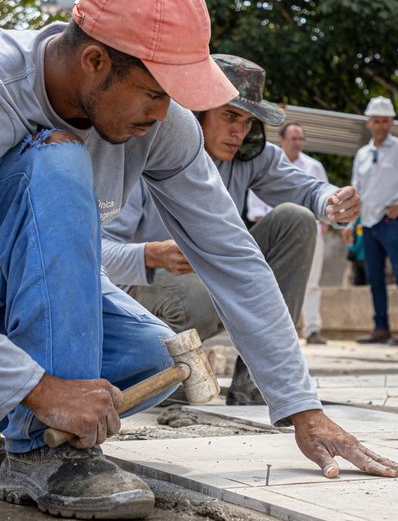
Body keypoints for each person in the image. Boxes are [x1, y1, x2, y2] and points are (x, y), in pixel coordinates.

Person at [0, 0, 398, 521]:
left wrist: (300, 406)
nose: (163, 115)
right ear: (92, 61)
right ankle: (50, 453)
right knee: (58, 159)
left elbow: (232, 256)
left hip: (22, 289)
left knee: (158, 360)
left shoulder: (163, 126)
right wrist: (38, 388)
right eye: (154, 94)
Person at [102, 56, 354, 405]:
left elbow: (309, 190)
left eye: (249, 121)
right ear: (198, 110)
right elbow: (93, 251)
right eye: (230, 116)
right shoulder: (143, 147)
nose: (240, 132)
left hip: (210, 285)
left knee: (295, 219)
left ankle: (257, 385)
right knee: (199, 290)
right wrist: (150, 255)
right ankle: (161, 375)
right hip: (145, 294)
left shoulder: (250, 155)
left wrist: (333, 202)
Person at [343, 97, 398, 345]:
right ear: (369, 123)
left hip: (390, 220)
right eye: (377, 121)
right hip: (368, 223)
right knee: (374, 278)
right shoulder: (362, 154)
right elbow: (356, 190)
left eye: (385, 121)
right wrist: (349, 225)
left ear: (391, 122)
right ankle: (380, 328)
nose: (381, 126)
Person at [246, 123, 330, 344]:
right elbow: (254, 204)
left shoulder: (314, 166)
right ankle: (273, 330)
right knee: (270, 282)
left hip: (310, 229)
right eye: (293, 138)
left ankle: (312, 329)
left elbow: (322, 194)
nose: (298, 143)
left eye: (301, 139)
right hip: (274, 234)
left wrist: (328, 218)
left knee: (311, 280)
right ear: (282, 140)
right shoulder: (265, 161)